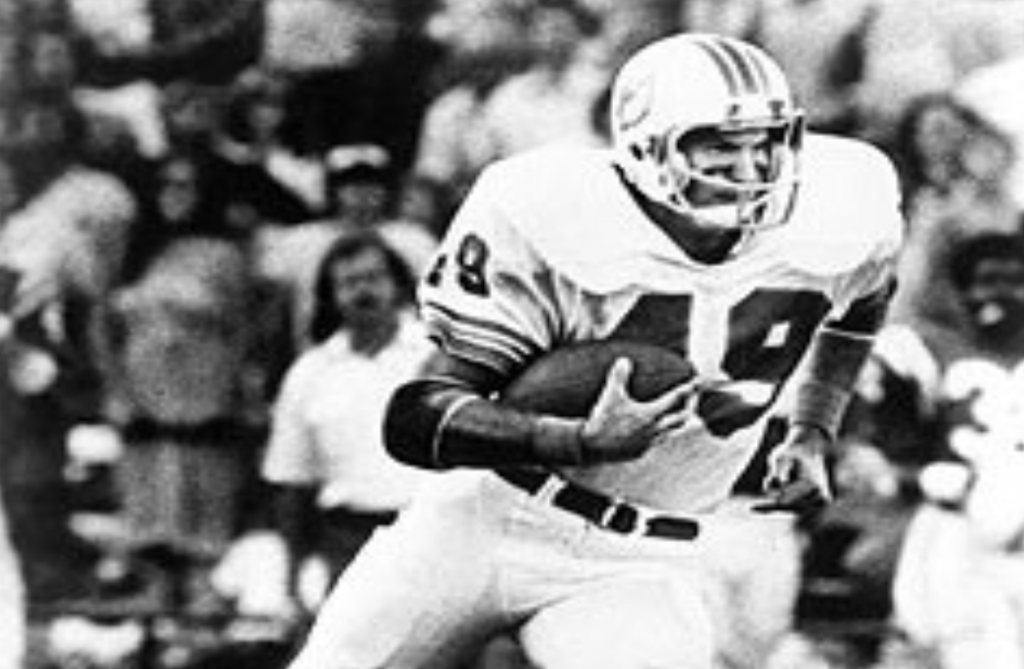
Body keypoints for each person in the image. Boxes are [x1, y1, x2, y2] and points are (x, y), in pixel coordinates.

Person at [285, 32, 905, 669]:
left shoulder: (843, 202)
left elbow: (863, 301)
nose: (751, 171)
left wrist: (813, 427)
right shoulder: (545, 208)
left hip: (638, 556)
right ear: (647, 144)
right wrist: (573, 439)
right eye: (720, 147)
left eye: (766, 143)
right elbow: (414, 419)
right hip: (489, 515)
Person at [850, 230, 1024, 669]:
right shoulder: (925, 351)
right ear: (961, 287)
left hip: (1016, 536)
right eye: (984, 279)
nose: (997, 293)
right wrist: (921, 476)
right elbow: (886, 448)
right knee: (926, 644)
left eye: (1014, 279)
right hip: (949, 532)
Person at [260, 231, 437, 613]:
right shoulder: (310, 372)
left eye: (374, 278)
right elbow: (292, 481)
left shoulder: (438, 358)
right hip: (348, 541)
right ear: (331, 296)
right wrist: (292, 580)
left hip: (434, 537)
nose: (363, 292)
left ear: (398, 285)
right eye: (349, 283)